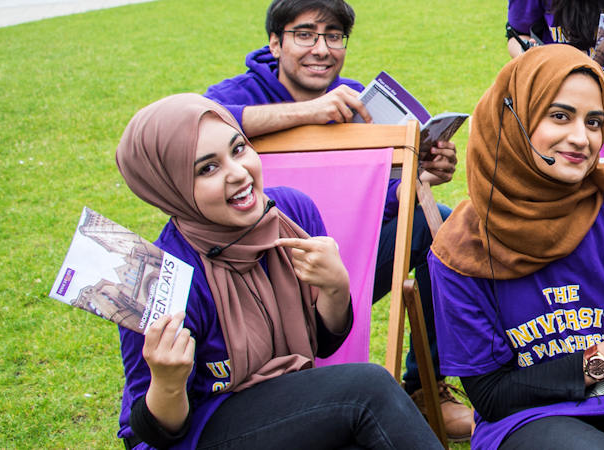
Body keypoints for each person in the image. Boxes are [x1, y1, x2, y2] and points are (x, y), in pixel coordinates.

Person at [428, 44, 604, 450]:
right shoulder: (462, 244)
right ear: (515, 117)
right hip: (528, 417)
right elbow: (492, 396)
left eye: (595, 121)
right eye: (560, 116)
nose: (582, 138)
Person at [201, 0, 472, 437]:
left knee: (441, 224)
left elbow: (382, 196)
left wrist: (419, 177)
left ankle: (425, 387)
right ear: (275, 42)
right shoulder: (238, 95)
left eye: (333, 36)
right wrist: (310, 113)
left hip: (346, 254)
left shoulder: (358, 100)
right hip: (262, 271)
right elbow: (188, 126)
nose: (321, 48)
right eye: (304, 34)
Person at [113, 93, 440, 449]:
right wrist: (168, 381)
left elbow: (325, 342)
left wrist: (334, 287)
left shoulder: (290, 212)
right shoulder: (157, 277)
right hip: (197, 428)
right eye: (208, 168)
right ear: (168, 187)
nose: (238, 173)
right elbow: (157, 432)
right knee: (368, 390)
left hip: (282, 406)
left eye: (238, 149)